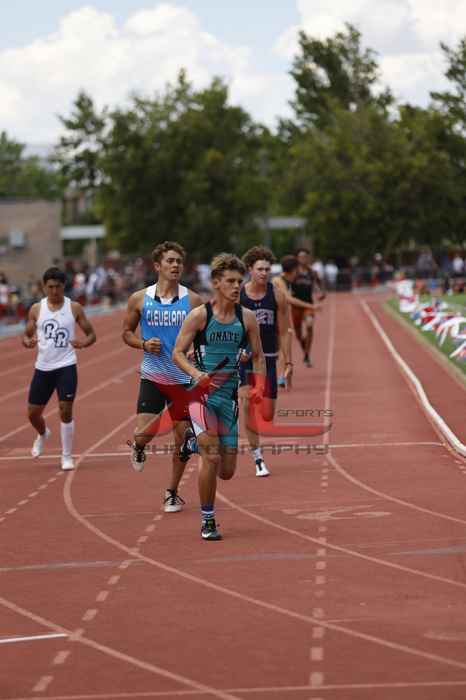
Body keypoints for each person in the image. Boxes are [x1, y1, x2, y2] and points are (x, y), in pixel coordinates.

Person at [173, 253, 265, 540]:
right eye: (230, 281)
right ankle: (208, 520)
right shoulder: (200, 316)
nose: (237, 286)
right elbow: (177, 353)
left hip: (229, 398)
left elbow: (258, 356)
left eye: (239, 281)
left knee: (226, 471)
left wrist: (258, 385)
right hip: (200, 396)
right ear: (215, 283)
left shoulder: (246, 318)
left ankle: (190, 442)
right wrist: (195, 372)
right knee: (210, 456)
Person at [122, 241, 203, 513]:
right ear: (157, 266)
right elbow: (126, 333)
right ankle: (138, 446)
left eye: (179, 261)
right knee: (144, 432)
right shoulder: (139, 299)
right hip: (154, 375)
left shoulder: (193, 300)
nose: (175, 265)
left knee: (182, 438)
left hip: (183, 379)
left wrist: (195, 351)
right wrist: (143, 344)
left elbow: (203, 337)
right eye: (170, 261)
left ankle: (172, 492)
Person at [23, 267, 96, 470]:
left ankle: (66, 456)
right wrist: (28, 342)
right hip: (43, 367)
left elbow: (92, 335)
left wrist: (83, 343)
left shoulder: (74, 308)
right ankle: (43, 433)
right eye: (50, 287)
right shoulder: (36, 309)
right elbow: (26, 335)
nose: (54, 291)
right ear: (44, 287)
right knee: (33, 414)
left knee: (65, 410)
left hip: (66, 365)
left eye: (58, 287)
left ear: (64, 286)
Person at [239, 246, 292, 477]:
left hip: (269, 359)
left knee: (268, 414)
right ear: (250, 269)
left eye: (267, 269)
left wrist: (288, 362)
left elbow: (284, 331)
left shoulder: (277, 295)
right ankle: (258, 458)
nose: (264, 273)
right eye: (260, 269)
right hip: (245, 359)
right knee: (247, 404)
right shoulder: (238, 295)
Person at [272, 255, 319, 385]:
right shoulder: (278, 280)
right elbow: (289, 299)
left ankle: (283, 376)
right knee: (275, 348)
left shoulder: (290, 281)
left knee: (285, 345)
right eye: (297, 270)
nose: (298, 273)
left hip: (281, 316)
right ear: (293, 270)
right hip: (270, 315)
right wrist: (311, 306)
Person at [291, 248, 325, 367]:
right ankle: (304, 347)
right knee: (298, 335)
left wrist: (322, 293)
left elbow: (320, 285)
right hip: (295, 305)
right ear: (297, 258)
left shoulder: (312, 273)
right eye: (301, 257)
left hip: (309, 305)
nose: (303, 259)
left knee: (310, 325)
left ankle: (306, 355)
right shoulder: (294, 272)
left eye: (305, 257)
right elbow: (285, 284)